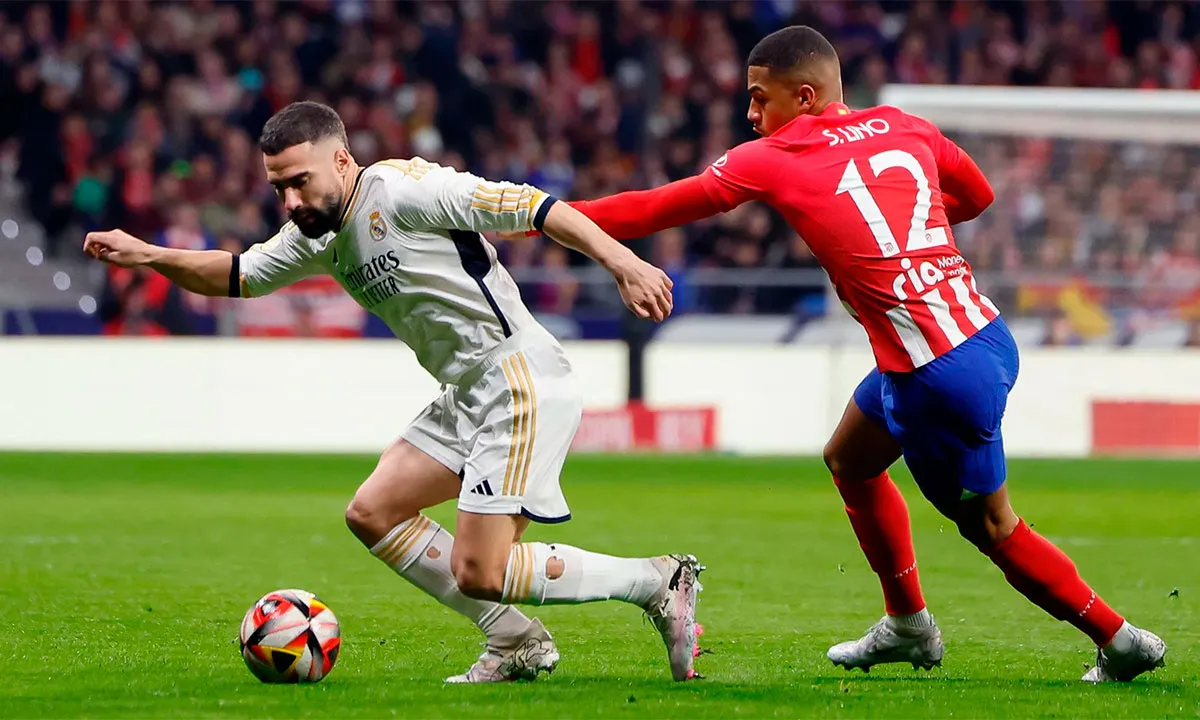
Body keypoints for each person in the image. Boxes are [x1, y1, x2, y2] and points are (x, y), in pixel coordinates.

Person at [556, 26, 1165, 683]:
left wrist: (539, 214)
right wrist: (916, 224)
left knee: (992, 528)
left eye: (761, 99)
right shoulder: (907, 126)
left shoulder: (773, 156)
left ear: (806, 96)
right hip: (983, 337)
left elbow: (652, 207)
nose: (752, 115)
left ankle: (1120, 638)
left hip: (933, 376)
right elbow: (980, 196)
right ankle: (906, 621)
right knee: (850, 456)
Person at [83, 101, 704, 684]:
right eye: (279, 188)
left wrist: (622, 262)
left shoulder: (409, 191)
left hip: (519, 379)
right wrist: (147, 255)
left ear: (342, 161)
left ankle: (655, 581)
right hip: (465, 391)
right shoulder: (315, 234)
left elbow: (536, 207)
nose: (291, 200)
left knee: (482, 570)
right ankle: (515, 641)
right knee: (373, 512)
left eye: (300, 181)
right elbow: (239, 275)